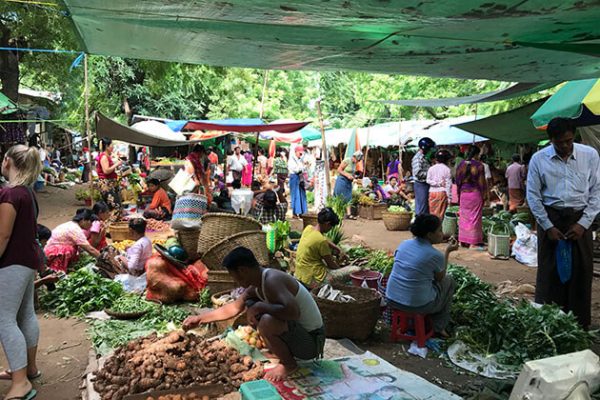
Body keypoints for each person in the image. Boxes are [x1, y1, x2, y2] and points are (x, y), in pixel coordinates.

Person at [183, 247, 325, 381]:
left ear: (243, 270)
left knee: (267, 321)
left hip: (311, 343)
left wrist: (260, 306)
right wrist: (200, 319)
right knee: (257, 310)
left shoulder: (272, 280)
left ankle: (289, 365)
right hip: (300, 337)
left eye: (234, 276)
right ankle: (283, 354)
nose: (235, 281)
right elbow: (233, 308)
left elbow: (293, 312)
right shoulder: (256, 286)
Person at [527, 117, 600, 329]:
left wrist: (584, 223)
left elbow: (596, 191)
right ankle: (549, 323)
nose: (565, 146)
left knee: (581, 271)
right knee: (550, 272)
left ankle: (578, 326)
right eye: (559, 143)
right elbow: (533, 195)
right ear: (551, 140)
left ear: (574, 137)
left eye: (568, 141)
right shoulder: (539, 160)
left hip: (580, 218)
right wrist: (547, 226)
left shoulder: (590, 155)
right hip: (551, 217)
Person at [0, 145, 43, 400]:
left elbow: (3, 236)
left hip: (12, 263)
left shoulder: (10, 195)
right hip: (28, 261)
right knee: (26, 314)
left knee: (4, 319)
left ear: (7, 162)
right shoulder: (27, 193)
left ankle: (20, 382)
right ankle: (29, 368)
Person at [386, 214, 458, 337]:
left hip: (391, 299)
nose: (442, 233)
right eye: (439, 230)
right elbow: (440, 278)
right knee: (449, 281)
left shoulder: (404, 244)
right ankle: (439, 326)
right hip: (417, 306)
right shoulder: (435, 255)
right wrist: (447, 252)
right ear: (429, 235)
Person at [294, 207, 358, 288]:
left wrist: (338, 249)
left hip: (300, 274)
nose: (330, 229)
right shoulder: (321, 241)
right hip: (313, 279)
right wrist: (342, 270)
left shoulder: (309, 228)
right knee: (355, 270)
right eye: (331, 227)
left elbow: (324, 239)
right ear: (327, 224)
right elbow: (331, 265)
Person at [455, 145, 487, 249]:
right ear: (477, 154)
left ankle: (462, 240)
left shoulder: (461, 165)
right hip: (475, 193)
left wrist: (459, 194)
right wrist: (484, 195)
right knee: (475, 218)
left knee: (464, 217)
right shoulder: (479, 166)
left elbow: (457, 182)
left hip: (464, 193)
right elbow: (482, 183)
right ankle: (473, 242)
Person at [333, 151, 363, 219]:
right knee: (339, 196)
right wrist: (347, 175)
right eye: (357, 160)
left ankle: (349, 214)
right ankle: (337, 213)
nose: (357, 162)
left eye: (358, 161)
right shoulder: (347, 160)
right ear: (354, 157)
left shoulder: (354, 164)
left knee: (348, 197)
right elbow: (339, 170)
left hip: (348, 182)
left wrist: (354, 177)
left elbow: (351, 172)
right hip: (342, 180)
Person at [96, 138, 123, 210]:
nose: (113, 147)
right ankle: (110, 220)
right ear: (107, 146)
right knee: (115, 206)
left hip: (110, 183)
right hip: (106, 184)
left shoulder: (107, 156)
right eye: (112, 145)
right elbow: (106, 171)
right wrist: (116, 164)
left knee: (113, 206)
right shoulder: (104, 157)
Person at [411, 137, 436, 215]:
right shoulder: (417, 158)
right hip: (420, 184)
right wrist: (430, 174)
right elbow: (418, 173)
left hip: (425, 184)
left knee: (425, 206)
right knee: (421, 207)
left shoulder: (424, 157)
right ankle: (420, 223)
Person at [426, 149, 453, 221]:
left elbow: (428, 180)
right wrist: (449, 197)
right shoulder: (447, 169)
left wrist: (436, 183)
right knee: (440, 214)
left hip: (432, 192)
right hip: (442, 192)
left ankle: (432, 229)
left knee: (432, 213)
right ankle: (438, 229)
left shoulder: (431, 168)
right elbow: (448, 185)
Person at [288, 146, 308, 217]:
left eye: (301, 153)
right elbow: (296, 170)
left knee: (302, 195)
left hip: (300, 178)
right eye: (300, 153)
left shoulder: (300, 159)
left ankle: (302, 212)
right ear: (296, 152)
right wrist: (303, 167)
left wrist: (305, 166)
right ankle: (295, 213)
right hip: (294, 178)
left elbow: (302, 169)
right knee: (295, 195)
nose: (301, 154)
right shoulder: (292, 160)